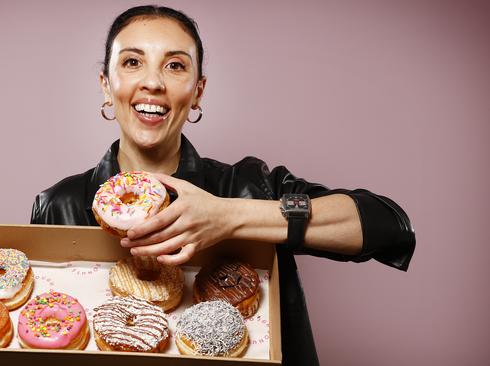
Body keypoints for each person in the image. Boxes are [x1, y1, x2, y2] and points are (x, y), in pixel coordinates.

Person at [31, 5, 415, 365]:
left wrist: (230, 215)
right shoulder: (58, 204)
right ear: (105, 84)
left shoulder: (247, 185)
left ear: (197, 91)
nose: (152, 82)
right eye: (132, 62)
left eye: (175, 66)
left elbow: (387, 226)